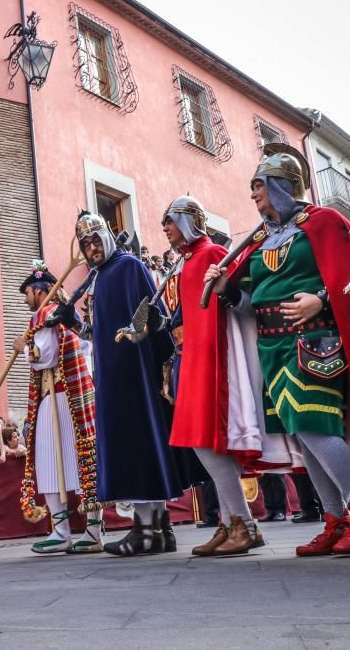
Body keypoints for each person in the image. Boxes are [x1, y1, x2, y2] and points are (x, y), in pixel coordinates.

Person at [205, 143, 350, 556]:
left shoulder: (324, 221)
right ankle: (335, 519)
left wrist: (323, 297)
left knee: (316, 426)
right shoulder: (258, 240)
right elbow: (250, 304)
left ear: (283, 184)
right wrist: (228, 291)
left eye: (259, 185)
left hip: (315, 340)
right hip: (271, 347)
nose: (254, 194)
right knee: (301, 435)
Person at [54, 212, 201, 556]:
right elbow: (99, 335)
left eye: (95, 240)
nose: (91, 248)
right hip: (113, 376)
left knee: (137, 447)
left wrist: (137, 336)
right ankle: (160, 531)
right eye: (85, 243)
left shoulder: (129, 266)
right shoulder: (99, 277)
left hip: (134, 376)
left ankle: (146, 531)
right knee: (137, 446)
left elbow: (154, 314)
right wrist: (73, 322)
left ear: (106, 236)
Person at [149, 196, 266, 556]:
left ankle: (242, 524)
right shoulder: (185, 263)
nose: (165, 228)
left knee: (208, 439)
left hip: (210, 357)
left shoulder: (211, 254)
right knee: (201, 440)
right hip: (191, 355)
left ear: (186, 221)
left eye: (169, 221)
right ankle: (231, 522)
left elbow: (227, 307)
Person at [13, 261, 103, 554]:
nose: (25, 298)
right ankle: (87, 529)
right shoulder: (68, 311)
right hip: (72, 394)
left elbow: (45, 356)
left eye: (27, 292)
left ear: (38, 291)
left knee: (52, 461)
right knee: (79, 459)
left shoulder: (46, 313)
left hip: (60, 395)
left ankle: (63, 530)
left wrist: (23, 348)